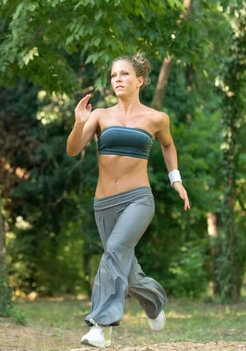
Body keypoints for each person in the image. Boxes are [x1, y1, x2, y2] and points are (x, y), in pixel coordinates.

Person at [66, 52, 191, 348]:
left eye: (123, 74)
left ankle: (101, 325)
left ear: (140, 80)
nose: (117, 80)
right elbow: (73, 149)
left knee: (113, 251)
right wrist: (78, 122)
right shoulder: (100, 116)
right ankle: (155, 303)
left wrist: (176, 179)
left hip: (138, 199)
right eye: (113, 75)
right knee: (125, 267)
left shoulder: (156, 118)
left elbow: (169, 145)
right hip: (104, 203)